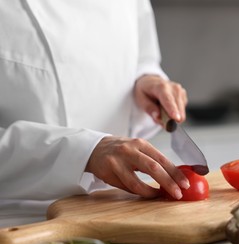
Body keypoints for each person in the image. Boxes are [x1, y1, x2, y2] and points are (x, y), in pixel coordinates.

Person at [0, 0, 190, 227]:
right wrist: (83, 153)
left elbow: (142, 56)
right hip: (21, 226)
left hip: (121, 212)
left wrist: (145, 80)